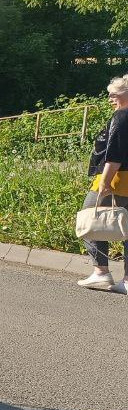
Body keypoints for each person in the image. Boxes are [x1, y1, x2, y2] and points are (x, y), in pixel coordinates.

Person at [78, 74, 128, 292]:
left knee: (89, 218)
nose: (110, 98)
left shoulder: (121, 116)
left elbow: (114, 153)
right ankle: (127, 280)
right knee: (127, 227)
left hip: (115, 178)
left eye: (114, 94)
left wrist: (105, 182)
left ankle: (101, 272)